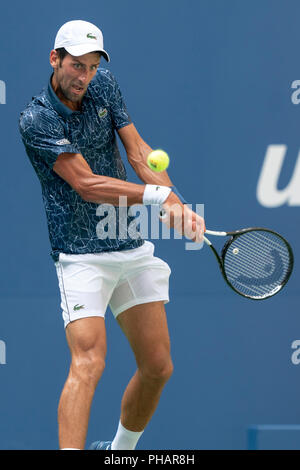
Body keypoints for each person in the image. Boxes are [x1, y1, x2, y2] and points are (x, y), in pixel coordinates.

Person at [19, 20, 205, 450]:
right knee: (89, 362)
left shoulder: (104, 86)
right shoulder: (36, 118)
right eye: (76, 65)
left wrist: (174, 201)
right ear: (55, 59)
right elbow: (87, 184)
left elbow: (138, 152)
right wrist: (158, 198)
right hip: (81, 256)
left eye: (91, 66)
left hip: (129, 245)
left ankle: (119, 453)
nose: (84, 76)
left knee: (158, 366)